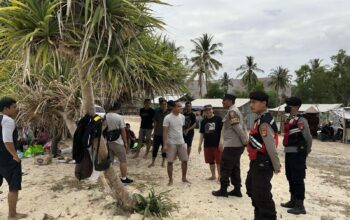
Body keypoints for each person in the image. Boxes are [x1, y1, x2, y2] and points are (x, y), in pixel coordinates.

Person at [245, 91, 281, 220]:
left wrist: (276, 166)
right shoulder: (259, 119)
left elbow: (271, 146)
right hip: (256, 162)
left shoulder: (264, 122)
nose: (251, 105)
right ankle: (259, 215)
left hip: (263, 163)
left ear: (264, 103)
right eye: (250, 102)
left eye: (254, 102)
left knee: (262, 194)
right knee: (251, 189)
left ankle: (268, 217)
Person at [281, 97, 312, 215]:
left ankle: (300, 205)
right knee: (290, 176)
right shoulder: (289, 119)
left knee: (298, 178)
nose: (287, 106)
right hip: (289, 151)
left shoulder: (301, 120)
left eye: (289, 104)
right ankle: (293, 200)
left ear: (296, 107)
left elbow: (308, 138)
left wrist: (306, 152)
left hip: (298, 153)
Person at [212, 94, 247, 197]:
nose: (222, 102)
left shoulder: (232, 112)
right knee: (235, 167)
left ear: (230, 101)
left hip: (232, 145)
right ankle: (237, 190)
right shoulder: (234, 111)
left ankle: (223, 189)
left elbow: (237, 128)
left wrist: (245, 141)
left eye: (224, 100)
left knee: (225, 167)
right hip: (236, 145)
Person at [0, 97, 27, 220]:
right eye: (14, 107)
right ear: (6, 109)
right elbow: (7, 141)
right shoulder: (8, 120)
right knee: (13, 185)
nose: (16, 109)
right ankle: (12, 214)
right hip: (7, 158)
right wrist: (15, 156)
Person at [163, 101, 190, 186]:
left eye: (181, 107)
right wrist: (165, 144)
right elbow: (165, 132)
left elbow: (181, 129)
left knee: (185, 161)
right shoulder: (167, 118)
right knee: (170, 162)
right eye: (178, 107)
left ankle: (184, 178)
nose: (180, 108)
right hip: (171, 143)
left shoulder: (182, 117)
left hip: (181, 142)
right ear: (173, 107)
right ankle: (170, 180)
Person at [105, 102, 133, 184]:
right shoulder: (119, 117)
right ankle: (124, 178)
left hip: (108, 142)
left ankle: (110, 178)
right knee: (123, 161)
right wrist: (125, 142)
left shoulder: (104, 117)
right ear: (117, 108)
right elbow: (123, 131)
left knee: (110, 161)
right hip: (118, 142)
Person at [198, 104, 223, 180]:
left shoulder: (218, 119)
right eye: (206, 110)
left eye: (209, 109)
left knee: (219, 161)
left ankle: (220, 176)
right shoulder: (203, 121)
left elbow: (222, 130)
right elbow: (202, 133)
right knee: (210, 161)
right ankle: (213, 175)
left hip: (217, 144)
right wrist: (199, 144)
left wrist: (221, 141)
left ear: (212, 110)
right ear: (204, 112)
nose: (208, 111)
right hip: (207, 144)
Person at [148, 99, 169, 168]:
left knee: (164, 148)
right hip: (157, 133)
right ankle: (153, 162)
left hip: (165, 134)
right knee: (155, 148)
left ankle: (163, 162)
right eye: (162, 104)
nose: (164, 105)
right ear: (160, 105)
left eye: (165, 104)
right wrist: (153, 132)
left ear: (167, 105)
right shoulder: (157, 112)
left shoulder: (169, 113)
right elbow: (155, 122)